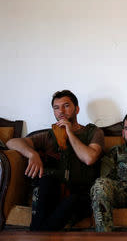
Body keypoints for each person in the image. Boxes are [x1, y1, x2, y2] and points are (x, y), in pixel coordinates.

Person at [6, 90, 104, 231]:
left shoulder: (93, 132)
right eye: (56, 108)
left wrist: (69, 132)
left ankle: (36, 234)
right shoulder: (49, 135)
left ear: (77, 109)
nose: (61, 111)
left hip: (82, 195)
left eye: (66, 106)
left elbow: (89, 158)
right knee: (46, 181)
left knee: (72, 201)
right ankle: (38, 233)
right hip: (56, 193)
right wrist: (32, 154)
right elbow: (12, 142)